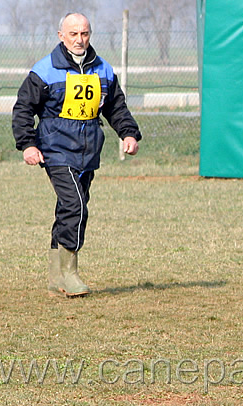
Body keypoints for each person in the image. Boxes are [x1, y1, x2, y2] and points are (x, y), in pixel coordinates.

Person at [12, 12, 142, 297]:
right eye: (73, 34)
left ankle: (55, 277)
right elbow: (23, 109)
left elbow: (115, 107)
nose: (80, 39)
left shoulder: (103, 70)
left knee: (71, 209)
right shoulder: (44, 70)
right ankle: (70, 274)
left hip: (88, 151)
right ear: (61, 36)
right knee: (75, 206)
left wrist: (128, 133)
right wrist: (28, 144)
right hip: (56, 150)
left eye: (84, 33)